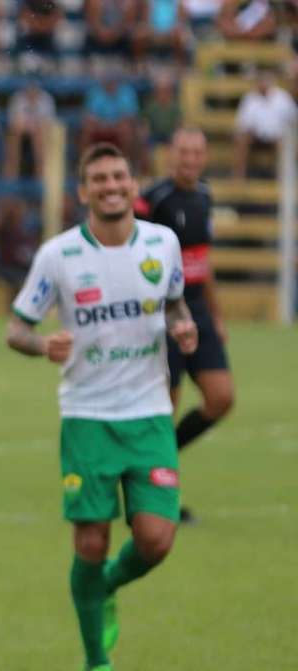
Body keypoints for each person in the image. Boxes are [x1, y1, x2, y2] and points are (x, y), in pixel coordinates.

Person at [5, 143, 198, 671]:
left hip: (150, 413)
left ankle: (105, 586)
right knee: (90, 540)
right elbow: (16, 328)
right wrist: (43, 346)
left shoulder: (164, 243)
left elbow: (177, 301)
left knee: (157, 539)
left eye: (119, 177)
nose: (111, 186)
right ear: (83, 192)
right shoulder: (58, 255)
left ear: (133, 185)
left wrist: (182, 325)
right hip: (87, 416)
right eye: (99, 180)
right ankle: (98, 663)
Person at [135, 127, 234, 523]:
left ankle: (156, 463)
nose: (190, 159)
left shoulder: (206, 196)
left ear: (204, 157)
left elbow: (201, 262)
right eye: (183, 152)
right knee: (168, 406)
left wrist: (217, 314)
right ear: (170, 155)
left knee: (221, 398)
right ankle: (159, 495)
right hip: (163, 311)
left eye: (197, 153)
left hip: (198, 309)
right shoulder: (153, 200)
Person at [233, 68, 298, 179]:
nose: (263, 83)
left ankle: (283, 178)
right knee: (241, 139)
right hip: (255, 137)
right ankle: (238, 177)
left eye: (266, 80)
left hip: (277, 138)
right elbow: (242, 124)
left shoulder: (282, 97)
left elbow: (294, 118)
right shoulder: (249, 99)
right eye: (261, 80)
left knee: (285, 143)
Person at [82, 70, 140, 165]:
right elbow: (90, 116)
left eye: (113, 80)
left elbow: (129, 116)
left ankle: (125, 163)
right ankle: (86, 163)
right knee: (87, 129)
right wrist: (103, 125)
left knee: (126, 129)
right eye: (108, 80)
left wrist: (115, 125)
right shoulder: (95, 92)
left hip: (118, 127)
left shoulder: (126, 92)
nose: (110, 83)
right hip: (100, 126)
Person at [4, 78, 57, 179]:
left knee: (39, 136)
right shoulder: (18, 98)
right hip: (21, 133)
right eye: (29, 88)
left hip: (40, 135)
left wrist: (35, 128)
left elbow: (49, 125)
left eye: (34, 88)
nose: (32, 91)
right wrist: (27, 126)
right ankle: (10, 182)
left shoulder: (46, 99)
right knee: (14, 135)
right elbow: (13, 123)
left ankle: (40, 180)